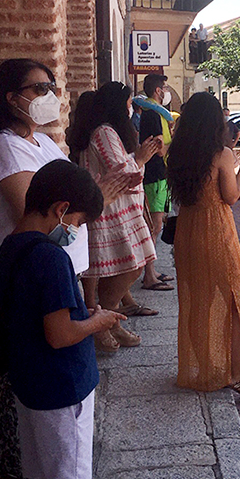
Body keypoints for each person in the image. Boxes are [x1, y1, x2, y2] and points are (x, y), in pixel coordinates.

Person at [0, 61, 120, 479]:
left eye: (52, 86)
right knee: (31, 387)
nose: (51, 94)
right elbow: (33, 213)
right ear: (12, 96)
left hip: (53, 272)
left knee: (20, 388)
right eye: (40, 88)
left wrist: (97, 194)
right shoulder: (3, 150)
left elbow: (67, 193)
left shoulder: (43, 140)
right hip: (23, 278)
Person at [0, 160, 122, 479]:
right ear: (61, 208)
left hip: (29, 385)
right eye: (78, 221)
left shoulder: (8, 248)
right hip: (63, 389)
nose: (76, 230)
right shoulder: (51, 258)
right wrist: (97, 321)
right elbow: (60, 333)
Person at [167, 92, 240, 398]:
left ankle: (204, 367)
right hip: (217, 231)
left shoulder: (177, 151)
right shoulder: (220, 154)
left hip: (188, 230)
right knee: (234, 301)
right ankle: (235, 374)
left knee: (197, 299)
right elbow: (231, 197)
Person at [76, 81, 161, 351]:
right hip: (112, 209)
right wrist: (141, 158)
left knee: (130, 264)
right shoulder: (103, 132)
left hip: (121, 208)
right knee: (129, 265)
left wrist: (138, 157)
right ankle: (105, 318)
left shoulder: (109, 131)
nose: (130, 108)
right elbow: (122, 171)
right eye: (127, 103)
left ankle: (110, 320)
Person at [137, 74, 175, 291]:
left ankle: (152, 270)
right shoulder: (152, 114)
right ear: (158, 91)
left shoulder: (156, 113)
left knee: (157, 224)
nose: (166, 91)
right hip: (154, 176)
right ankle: (149, 275)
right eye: (165, 87)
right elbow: (158, 149)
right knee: (154, 224)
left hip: (160, 175)